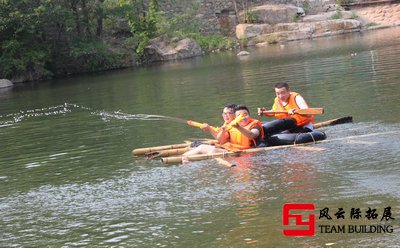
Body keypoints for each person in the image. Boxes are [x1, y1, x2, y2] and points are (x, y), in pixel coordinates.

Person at [182, 105, 264, 163]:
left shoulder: (254, 125)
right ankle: (183, 157)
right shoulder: (230, 126)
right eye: (239, 116)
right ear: (236, 118)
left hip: (245, 153)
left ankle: (187, 159)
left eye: (245, 115)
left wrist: (238, 127)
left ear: (249, 115)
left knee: (212, 150)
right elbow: (221, 140)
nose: (243, 117)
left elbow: (252, 135)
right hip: (233, 150)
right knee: (202, 147)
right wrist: (221, 131)